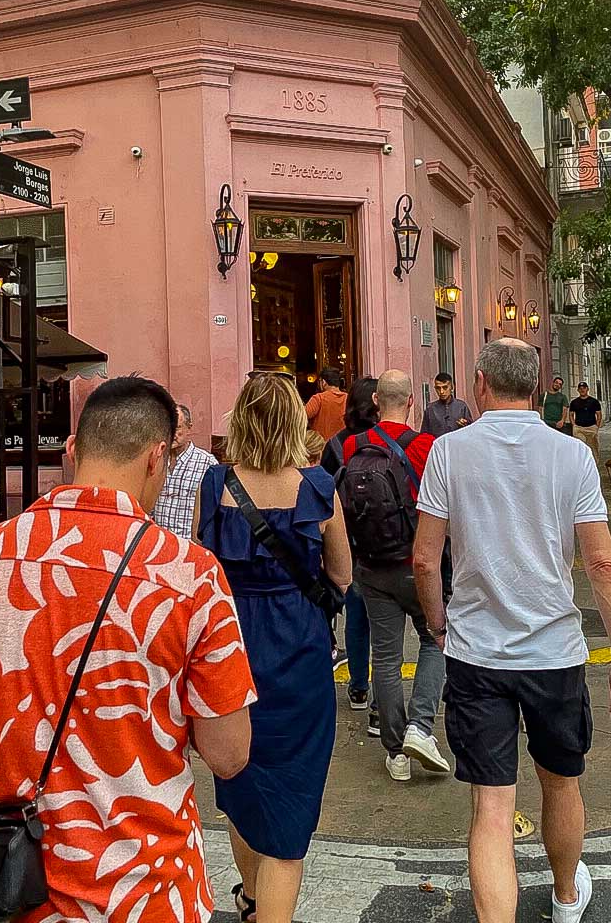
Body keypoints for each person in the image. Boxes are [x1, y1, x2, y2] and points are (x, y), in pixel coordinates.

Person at [0, 376, 255, 923]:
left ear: (72, 449)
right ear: (157, 457)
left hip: (14, 890)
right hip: (147, 892)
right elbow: (230, 753)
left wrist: (22, 706)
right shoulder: (190, 576)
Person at [414, 339, 611, 923]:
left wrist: (439, 625)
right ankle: (566, 897)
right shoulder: (571, 456)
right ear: (537, 389)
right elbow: (603, 563)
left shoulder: (448, 452)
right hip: (554, 654)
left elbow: (423, 558)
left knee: (491, 804)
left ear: (482, 384)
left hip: (477, 653)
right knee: (561, 783)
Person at [195, 373, 352, 923]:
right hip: (301, 655)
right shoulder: (317, 488)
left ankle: (253, 899)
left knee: (238, 780)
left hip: (229, 652)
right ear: (294, 422)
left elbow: (200, 569)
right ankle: (269, 908)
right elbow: (342, 575)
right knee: (291, 799)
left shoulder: (215, 486)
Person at [342, 370, 450, 782]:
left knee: (384, 658)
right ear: (411, 403)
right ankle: (421, 728)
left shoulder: (352, 445)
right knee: (435, 638)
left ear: (374, 404)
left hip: (371, 567)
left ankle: (395, 753)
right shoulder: (427, 446)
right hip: (419, 565)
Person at [321, 376, 380, 734]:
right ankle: (381, 699)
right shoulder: (388, 440)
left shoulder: (338, 444)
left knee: (356, 616)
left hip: (350, 542)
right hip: (389, 542)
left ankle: (358, 685)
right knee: (386, 623)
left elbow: (325, 492)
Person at [152, 402, 216, 539]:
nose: (171, 434)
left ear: (189, 428)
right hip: (159, 544)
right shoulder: (156, 460)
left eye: (177, 428)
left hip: (189, 545)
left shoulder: (207, 464)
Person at [421, 372, 473, 437]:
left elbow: (471, 431)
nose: (441, 391)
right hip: (438, 446)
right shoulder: (430, 409)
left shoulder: (462, 407)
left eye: (445, 387)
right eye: (438, 388)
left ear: (452, 387)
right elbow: (424, 435)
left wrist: (465, 424)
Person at [305, 367, 348, 440]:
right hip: (343, 445)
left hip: (322, 446)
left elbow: (301, 416)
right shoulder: (348, 398)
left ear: (324, 382)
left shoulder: (318, 399)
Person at [569, 383, 603, 468]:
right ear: (578, 390)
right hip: (579, 428)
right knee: (580, 446)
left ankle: (594, 465)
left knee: (594, 448)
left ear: (587, 389)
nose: (582, 390)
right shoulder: (574, 402)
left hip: (591, 428)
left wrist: (596, 427)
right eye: (580, 388)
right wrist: (574, 425)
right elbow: (571, 414)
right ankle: (581, 465)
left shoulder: (594, 402)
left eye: (584, 388)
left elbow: (599, 415)